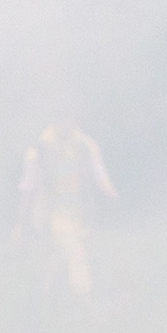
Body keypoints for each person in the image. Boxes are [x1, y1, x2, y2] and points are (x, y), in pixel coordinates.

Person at [19, 124, 118, 299]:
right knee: (76, 254)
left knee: (58, 257)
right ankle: (83, 299)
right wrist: (20, 224)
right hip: (50, 215)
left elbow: (100, 175)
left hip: (76, 214)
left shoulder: (85, 145)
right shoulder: (40, 148)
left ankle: (42, 298)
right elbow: (28, 186)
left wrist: (109, 192)